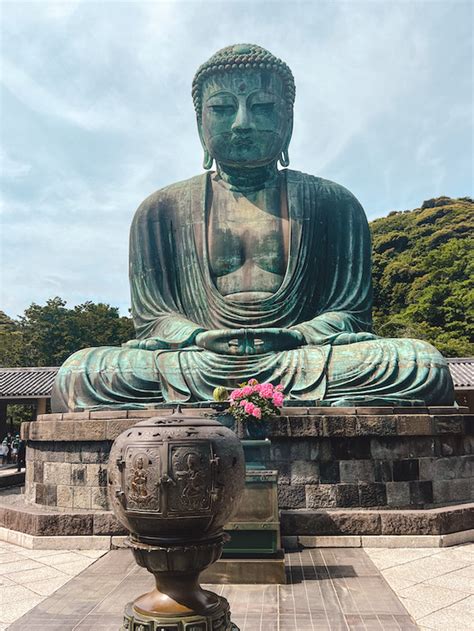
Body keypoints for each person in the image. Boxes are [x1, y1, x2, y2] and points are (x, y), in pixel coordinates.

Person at [51, 44, 454, 412]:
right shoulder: (160, 211)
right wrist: (196, 337)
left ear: (288, 119)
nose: (242, 123)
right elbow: (154, 319)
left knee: (420, 365)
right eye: (224, 108)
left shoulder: (334, 204)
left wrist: (297, 335)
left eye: (261, 106)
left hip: (299, 358)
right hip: (198, 361)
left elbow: (348, 313)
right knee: (82, 373)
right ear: (199, 123)